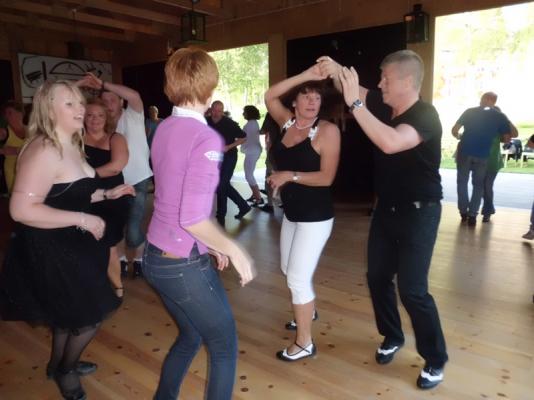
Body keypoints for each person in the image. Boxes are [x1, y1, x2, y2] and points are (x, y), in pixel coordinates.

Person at [319, 50, 448, 389]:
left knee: (413, 290)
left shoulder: (425, 115)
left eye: (386, 79)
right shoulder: (383, 105)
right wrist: (335, 69)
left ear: (407, 81)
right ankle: (392, 335)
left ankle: (435, 358)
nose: (379, 84)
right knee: (377, 277)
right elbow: (357, 90)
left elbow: (391, 142)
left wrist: (355, 104)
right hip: (386, 210)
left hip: (420, 212)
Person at [0, 80, 134, 399]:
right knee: (90, 315)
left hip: (73, 243)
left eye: (80, 102)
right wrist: (83, 218)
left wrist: (106, 194)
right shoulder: (44, 149)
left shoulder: (70, 144)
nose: (80, 109)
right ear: (49, 110)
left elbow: (70, 193)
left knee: (67, 312)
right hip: (52, 247)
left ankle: (56, 364)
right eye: (69, 103)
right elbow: (20, 210)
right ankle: (65, 370)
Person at [143, 47, 256, 400]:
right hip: (180, 265)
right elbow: (191, 216)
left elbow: (177, 197)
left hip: (155, 257)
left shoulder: (164, 127)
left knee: (192, 335)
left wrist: (210, 245)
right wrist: (236, 250)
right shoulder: (206, 137)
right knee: (224, 345)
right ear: (210, 87)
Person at [265, 65, 340, 362]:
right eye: (306, 96)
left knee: (296, 279)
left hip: (316, 217)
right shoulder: (286, 123)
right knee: (288, 269)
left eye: (317, 97)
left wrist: (289, 176)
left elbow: (326, 178)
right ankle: (308, 309)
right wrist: (307, 75)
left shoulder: (327, 131)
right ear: (294, 101)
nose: (312, 102)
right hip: (293, 214)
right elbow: (270, 96)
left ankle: (305, 342)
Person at [77, 72, 153, 279]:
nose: (108, 104)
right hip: (110, 183)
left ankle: (139, 258)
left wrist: (103, 84)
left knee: (133, 229)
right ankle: (120, 260)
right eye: (105, 101)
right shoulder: (98, 123)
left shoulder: (133, 115)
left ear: (121, 101)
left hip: (137, 180)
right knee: (114, 228)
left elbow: (134, 96)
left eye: (112, 100)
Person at [83, 98, 130, 297]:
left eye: (100, 115)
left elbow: (116, 167)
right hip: (84, 198)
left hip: (113, 199)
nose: (95, 119)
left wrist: (83, 177)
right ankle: (95, 285)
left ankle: (117, 287)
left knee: (107, 243)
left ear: (106, 118)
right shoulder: (75, 139)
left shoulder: (116, 138)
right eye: (90, 115)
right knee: (87, 244)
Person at [452, 92, 512, 226]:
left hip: (465, 151)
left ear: (483, 99)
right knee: (478, 185)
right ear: (494, 102)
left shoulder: (469, 112)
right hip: (483, 155)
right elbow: (507, 138)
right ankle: (473, 215)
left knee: (462, 182)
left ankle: (463, 212)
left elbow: (454, 130)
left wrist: (458, 136)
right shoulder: (499, 116)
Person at [207, 100, 251, 227]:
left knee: (221, 185)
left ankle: (221, 215)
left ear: (223, 111)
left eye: (219, 111)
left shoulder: (229, 123)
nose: (216, 113)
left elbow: (244, 137)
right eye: (214, 110)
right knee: (222, 184)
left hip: (229, 157)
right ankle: (243, 206)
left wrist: (229, 146)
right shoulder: (206, 121)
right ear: (211, 109)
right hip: (214, 157)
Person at [0, 101, 26, 194]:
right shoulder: (4, 132)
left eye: (10, 113)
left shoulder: (30, 129)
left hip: (29, 169)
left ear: (20, 113)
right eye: (6, 114)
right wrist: (2, 151)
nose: (7, 116)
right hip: (13, 171)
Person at [241, 105, 264, 205]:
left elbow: (243, 136)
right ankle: (255, 195)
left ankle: (258, 198)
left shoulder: (251, 124)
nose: (243, 114)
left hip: (252, 152)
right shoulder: (253, 123)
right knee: (249, 174)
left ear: (249, 113)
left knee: (248, 175)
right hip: (253, 151)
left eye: (245, 112)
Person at [257, 113, 279, 213]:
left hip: (274, 152)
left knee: (270, 178)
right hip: (286, 151)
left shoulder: (271, 115)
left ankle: (270, 204)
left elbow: (262, 131)